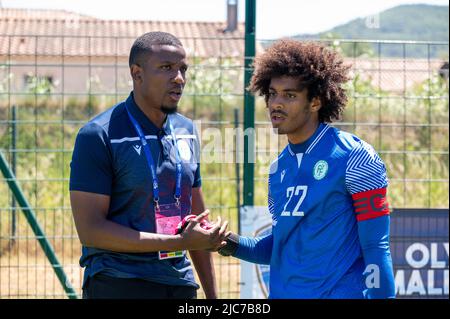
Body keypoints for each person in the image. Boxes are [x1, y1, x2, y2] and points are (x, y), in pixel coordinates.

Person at [218, 39, 396, 299]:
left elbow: (376, 246)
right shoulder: (278, 168)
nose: (276, 103)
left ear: (315, 102)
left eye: (289, 95)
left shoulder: (355, 157)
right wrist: (225, 243)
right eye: (272, 94)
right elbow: (278, 248)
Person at [69, 31, 229, 299]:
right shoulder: (98, 134)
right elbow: (91, 230)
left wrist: (212, 297)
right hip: (119, 281)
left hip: (179, 282)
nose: (178, 78)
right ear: (137, 73)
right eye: (166, 68)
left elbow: (196, 222)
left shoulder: (187, 130)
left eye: (182, 69)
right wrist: (179, 242)